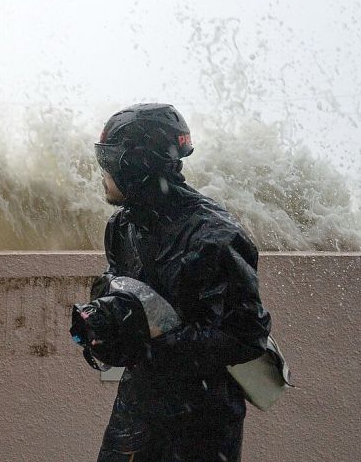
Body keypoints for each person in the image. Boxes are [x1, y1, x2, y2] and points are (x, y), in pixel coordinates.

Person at [87, 103, 272, 462]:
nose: (102, 172)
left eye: (109, 160)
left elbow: (247, 335)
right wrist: (108, 326)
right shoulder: (122, 226)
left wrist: (153, 344)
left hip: (200, 425)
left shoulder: (214, 236)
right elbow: (124, 291)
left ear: (138, 166)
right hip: (135, 411)